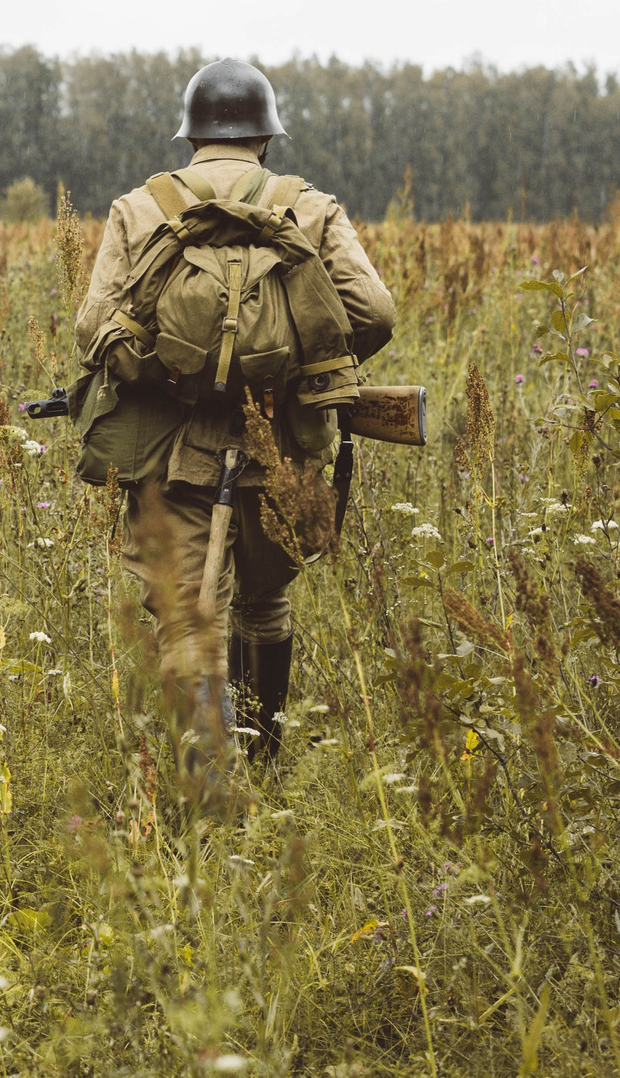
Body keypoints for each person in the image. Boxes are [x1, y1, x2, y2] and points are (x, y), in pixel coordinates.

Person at [69, 58, 394, 788]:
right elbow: (375, 314)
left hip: (171, 451)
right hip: (280, 446)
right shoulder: (308, 207)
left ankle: (206, 787)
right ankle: (266, 760)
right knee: (266, 598)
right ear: (266, 137)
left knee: (188, 616)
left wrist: (167, 369)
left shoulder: (141, 208)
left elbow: (93, 327)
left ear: (189, 136)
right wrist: (295, 362)